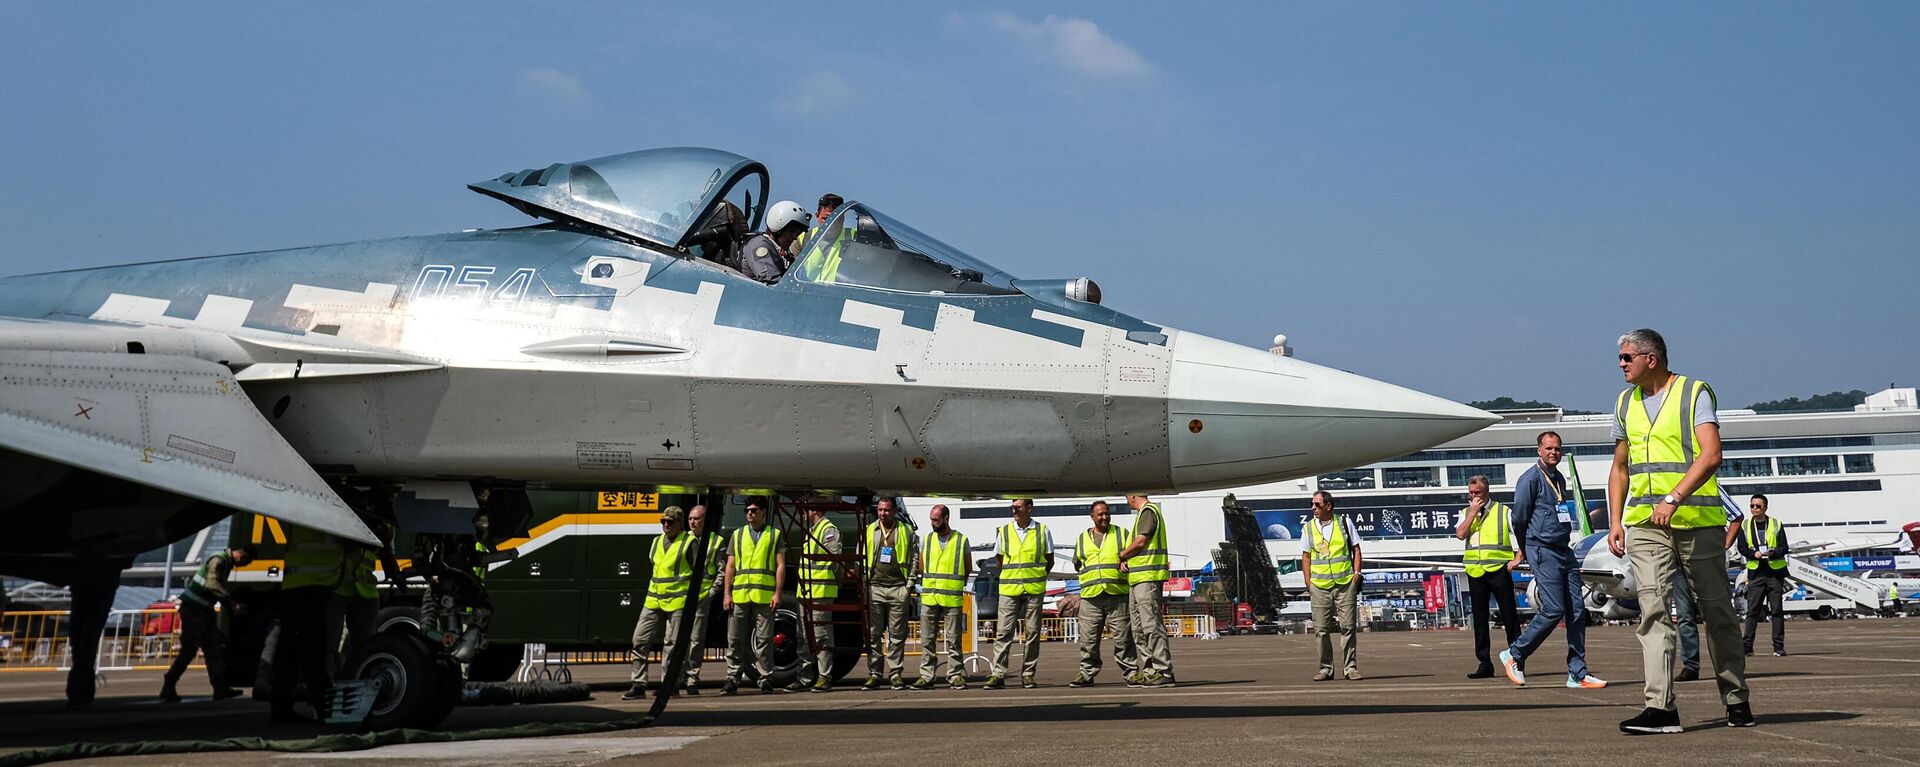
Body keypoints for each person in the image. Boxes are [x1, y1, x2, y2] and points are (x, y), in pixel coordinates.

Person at [1607, 328, 1753, 734]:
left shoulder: (1694, 394)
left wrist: (1673, 498)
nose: (1620, 364)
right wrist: (1616, 520)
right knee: (1652, 612)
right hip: (1644, 525)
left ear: (1650, 359)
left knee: (1717, 612)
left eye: (1626, 357)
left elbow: (1712, 454)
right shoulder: (1624, 402)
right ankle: (1661, 708)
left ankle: (1736, 697)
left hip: (1695, 523)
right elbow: (1620, 466)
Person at [1499, 431, 1608, 690]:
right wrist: (1524, 549)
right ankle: (1515, 653)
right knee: (1553, 609)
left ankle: (1577, 672)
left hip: (1563, 549)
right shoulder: (1530, 479)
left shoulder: (1558, 478)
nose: (1554, 453)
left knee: (1577, 610)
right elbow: (1519, 519)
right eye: (1549, 448)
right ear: (1539, 450)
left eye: (1557, 449)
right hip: (1542, 549)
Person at [162, 545, 256, 702]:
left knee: (213, 648)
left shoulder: (226, 563)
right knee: (189, 650)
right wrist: (232, 604)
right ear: (240, 554)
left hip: (204, 611)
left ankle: (220, 688)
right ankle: (169, 684)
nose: (245, 565)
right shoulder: (219, 560)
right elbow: (212, 585)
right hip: (194, 610)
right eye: (246, 561)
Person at [273, 525, 347, 723]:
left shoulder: (295, 511)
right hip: (317, 585)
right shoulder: (330, 510)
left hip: (293, 583)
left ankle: (281, 709)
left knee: (288, 651)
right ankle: (322, 706)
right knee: (313, 651)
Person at [1454, 476, 1521, 679]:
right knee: (1480, 620)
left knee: (1509, 616)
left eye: (1478, 493)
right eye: (1472, 493)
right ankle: (1484, 663)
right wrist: (1472, 512)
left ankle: (1517, 658)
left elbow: (1521, 532)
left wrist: (1519, 556)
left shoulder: (1503, 511)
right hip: (1476, 571)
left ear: (1487, 492)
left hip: (1499, 569)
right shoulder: (1465, 513)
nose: (1474, 497)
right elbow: (1460, 534)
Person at [624, 506, 693, 700]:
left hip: (678, 601)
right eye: (663, 521)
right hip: (653, 599)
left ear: (680, 523)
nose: (665, 525)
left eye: (670, 522)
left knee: (672, 645)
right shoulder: (656, 542)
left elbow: (699, 574)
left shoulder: (689, 542)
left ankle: (670, 684)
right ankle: (638, 684)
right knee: (639, 640)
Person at [1675, 494, 1745, 682]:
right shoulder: (1666, 484)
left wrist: (1725, 545)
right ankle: (1691, 665)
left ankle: (1726, 666)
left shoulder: (1709, 484)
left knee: (1715, 614)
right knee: (1684, 616)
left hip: (1704, 559)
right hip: (1679, 563)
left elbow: (1737, 516)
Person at [722, 497, 785, 695]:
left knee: (764, 639)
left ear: (763, 512)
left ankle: (765, 677)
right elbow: (730, 566)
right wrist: (727, 593)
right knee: (734, 638)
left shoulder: (773, 534)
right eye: (747, 510)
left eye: (754, 510)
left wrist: (777, 593)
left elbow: (780, 565)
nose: (750, 513)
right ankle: (732, 677)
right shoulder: (737, 535)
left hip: (764, 595)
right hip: (740, 595)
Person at [1069, 501, 1136, 688]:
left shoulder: (1121, 534)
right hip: (1091, 597)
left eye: (1107, 513)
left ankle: (1131, 672)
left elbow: (1134, 555)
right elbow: (1078, 563)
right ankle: (1086, 673)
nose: (1104, 517)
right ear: (1092, 516)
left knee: (1123, 637)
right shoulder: (1082, 538)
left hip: (1117, 594)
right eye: (1100, 514)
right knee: (1088, 639)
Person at [987, 499, 1052, 689]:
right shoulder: (1005, 531)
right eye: (1012, 507)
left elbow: (1050, 560)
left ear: (1029, 508)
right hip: (1009, 589)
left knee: (1032, 633)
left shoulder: (1042, 530)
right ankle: (998, 674)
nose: (1014, 510)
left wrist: (1035, 577)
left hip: (1034, 589)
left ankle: (1028, 674)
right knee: (1003, 633)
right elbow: (999, 560)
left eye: (1018, 506)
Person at [1301, 491, 1362, 681]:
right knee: (1321, 629)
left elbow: (1356, 549)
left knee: (1348, 627)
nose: (1313, 508)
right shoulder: (1308, 528)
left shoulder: (1344, 523)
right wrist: (1308, 582)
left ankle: (1350, 668)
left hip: (1345, 583)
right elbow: (1306, 556)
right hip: (1319, 585)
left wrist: (1356, 575)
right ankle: (1326, 668)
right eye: (1312, 504)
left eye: (1316, 505)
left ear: (1328, 506)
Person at [913, 504, 971, 690]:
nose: (932, 523)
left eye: (936, 520)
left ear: (946, 518)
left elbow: (967, 568)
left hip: (952, 599)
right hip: (930, 598)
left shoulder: (961, 540)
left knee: (954, 640)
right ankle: (927, 676)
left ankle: (955, 675)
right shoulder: (927, 540)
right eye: (931, 519)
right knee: (927, 640)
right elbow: (922, 567)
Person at [861, 497, 916, 690]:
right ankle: (875, 673)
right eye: (880, 510)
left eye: (886, 510)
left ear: (894, 511)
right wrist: (864, 585)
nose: (883, 513)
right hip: (875, 587)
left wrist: (909, 585)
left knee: (897, 634)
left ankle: (895, 673)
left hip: (897, 587)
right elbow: (863, 556)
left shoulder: (905, 531)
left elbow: (915, 557)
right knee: (874, 634)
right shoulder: (870, 530)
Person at [1122, 494, 1176, 687]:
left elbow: (1140, 542)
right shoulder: (1141, 514)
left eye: (1127, 496)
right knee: (1138, 628)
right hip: (1137, 579)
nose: (1126, 500)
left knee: (1151, 626)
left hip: (1148, 578)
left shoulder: (1148, 511)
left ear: (1133, 495)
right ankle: (1150, 670)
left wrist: (1121, 555)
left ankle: (1163, 670)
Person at [796, 503, 842, 692]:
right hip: (806, 592)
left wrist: (834, 584)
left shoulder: (828, 530)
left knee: (821, 636)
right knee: (804, 636)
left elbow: (836, 561)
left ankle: (824, 676)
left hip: (821, 592)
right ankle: (804, 676)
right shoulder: (813, 530)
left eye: (806, 509)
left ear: (815, 510)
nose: (803, 513)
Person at [1735, 494, 1789, 657]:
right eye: (1752, 505)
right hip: (1756, 572)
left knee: (1777, 610)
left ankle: (1778, 646)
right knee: (1753, 610)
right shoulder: (1745, 525)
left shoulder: (1776, 523)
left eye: (1758, 506)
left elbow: (1784, 546)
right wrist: (1754, 553)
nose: (1754, 509)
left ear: (1765, 507)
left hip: (1774, 571)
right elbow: (1742, 548)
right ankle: (1747, 647)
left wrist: (1773, 553)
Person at [682, 504, 724, 694]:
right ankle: (675, 678)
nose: (692, 522)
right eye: (690, 518)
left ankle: (691, 679)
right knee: (676, 639)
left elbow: (721, 571)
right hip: (681, 597)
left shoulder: (716, 541)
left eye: (696, 518)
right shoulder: (682, 540)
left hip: (701, 597)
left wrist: (712, 593)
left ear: (705, 521)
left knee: (696, 640)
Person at [739, 200, 810, 283]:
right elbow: (770, 280)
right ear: (779, 226)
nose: (795, 238)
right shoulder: (759, 244)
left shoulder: (782, 253)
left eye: (798, 234)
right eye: (792, 231)